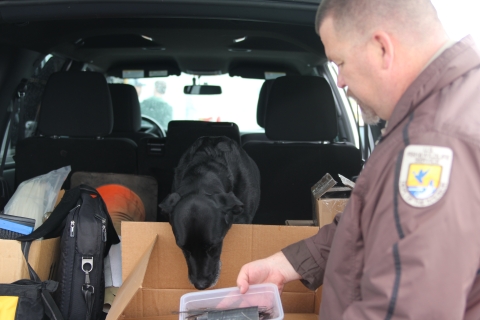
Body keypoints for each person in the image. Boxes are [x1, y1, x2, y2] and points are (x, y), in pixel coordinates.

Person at [237, 0, 480, 318]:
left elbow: (407, 310)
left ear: (381, 48)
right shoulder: (434, 115)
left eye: (340, 62)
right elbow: (372, 224)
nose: (339, 81)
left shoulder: (434, 144)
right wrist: (287, 264)